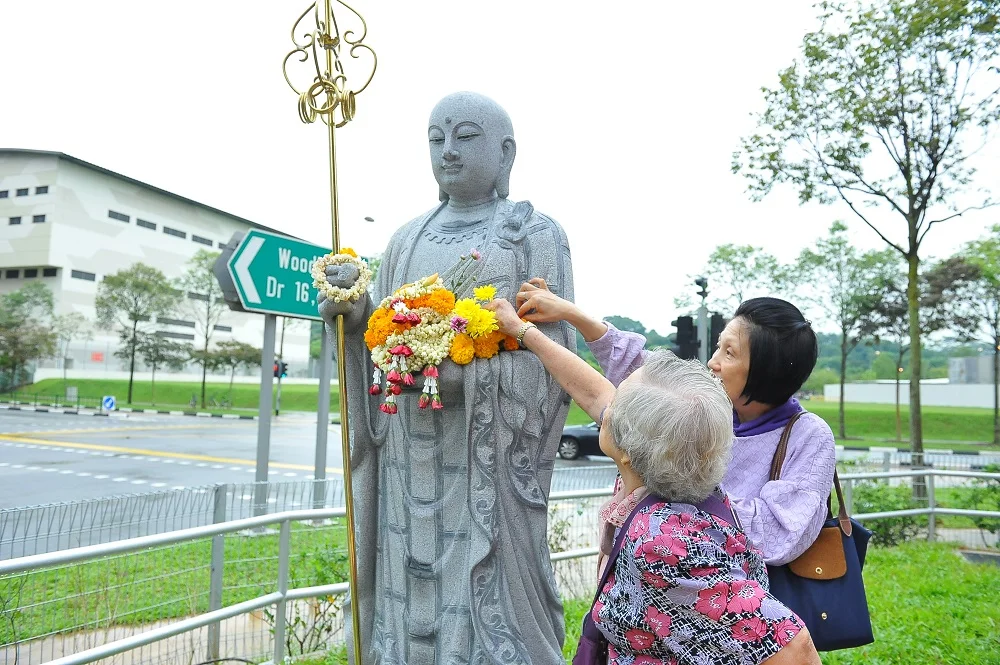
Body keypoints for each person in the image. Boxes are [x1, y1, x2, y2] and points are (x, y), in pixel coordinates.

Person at [318, 92, 575, 665]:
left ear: (506, 153)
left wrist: (466, 377)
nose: (448, 151)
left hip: (486, 464)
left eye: (466, 137)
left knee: (488, 608)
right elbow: (381, 340)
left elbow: (555, 359)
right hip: (405, 458)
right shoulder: (406, 238)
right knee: (404, 600)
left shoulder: (533, 235)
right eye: (436, 139)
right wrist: (353, 316)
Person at [485, 298, 821, 665]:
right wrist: (526, 332)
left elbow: (794, 649)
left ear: (634, 448)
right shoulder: (674, 470)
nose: (607, 403)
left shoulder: (666, 543)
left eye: (619, 404)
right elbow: (595, 392)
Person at [515, 281, 836, 566]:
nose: (713, 362)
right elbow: (643, 376)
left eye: (730, 353)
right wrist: (570, 314)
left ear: (767, 371)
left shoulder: (809, 436)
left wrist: (674, 484)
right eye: (718, 346)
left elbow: (779, 532)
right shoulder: (704, 402)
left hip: (731, 595)